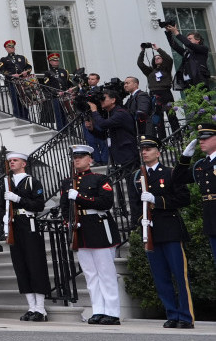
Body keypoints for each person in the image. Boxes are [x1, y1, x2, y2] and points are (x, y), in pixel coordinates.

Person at [132, 137, 194, 328]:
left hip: (171, 230)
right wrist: (141, 220)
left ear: (158, 152)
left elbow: (184, 198)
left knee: (179, 275)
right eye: (143, 150)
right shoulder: (137, 176)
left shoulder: (170, 173)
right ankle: (172, 313)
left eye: (149, 149)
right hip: (151, 231)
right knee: (161, 277)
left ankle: (185, 316)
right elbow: (135, 206)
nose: (145, 152)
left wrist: (157, 201)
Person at [62, 144, 121, 325]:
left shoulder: (99, 178)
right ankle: (98, 310)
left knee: (106, 272)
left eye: (81, 157)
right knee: (90, 274)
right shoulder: (67, 182)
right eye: (74, 157)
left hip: (98, 228)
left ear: (90, 160)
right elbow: (64, 207)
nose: (77, 160)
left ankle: (112, 312)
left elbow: (105, 202)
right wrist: (69, 222)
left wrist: (79, 197)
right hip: (80, 230)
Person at [1, 151, 50, 321]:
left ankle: (41, 308)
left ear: (24, 163)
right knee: (20, 266)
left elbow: (38, 205)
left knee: (35, 265)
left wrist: (18, 198)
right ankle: (31, 307)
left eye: (15, 160)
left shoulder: (31, 181)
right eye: (10, 161)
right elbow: (2, 205)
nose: (12, 163)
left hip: (28, 224)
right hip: (14, 226)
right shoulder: (7, 183)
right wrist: (4, 215)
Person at [176, 123, 216, 268]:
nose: (201, 141)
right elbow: (178, 178)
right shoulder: (202, 164)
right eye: (200, 139)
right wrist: (185, 158)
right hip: (211, 220)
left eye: (206, 138)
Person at [84, 87, 139, 171]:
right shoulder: (111, 113)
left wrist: (95, 111)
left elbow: (103, 124)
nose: (101, 101)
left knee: (131, 178)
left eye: (103, 98)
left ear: (113, 100)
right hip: (119, 154)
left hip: (128, 154)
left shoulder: (121, 113)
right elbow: (105, 135)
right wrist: (92, 129)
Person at [137, 43, 179, 138]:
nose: (157, 58)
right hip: (154, 95)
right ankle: (162, 139)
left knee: (171, 115)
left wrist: (158, 49)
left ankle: (177, 137)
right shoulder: (150, 71)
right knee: (157, 118)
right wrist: (142, 51)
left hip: (165, 93)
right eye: (155, 58)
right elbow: (140, 64)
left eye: (159, 57)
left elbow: (169, 59)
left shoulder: (166, 69)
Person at [165, 23, 211, 89]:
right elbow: (174, 46)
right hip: (188, 83)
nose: (187, 40)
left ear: (198, 40)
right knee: (191, 99)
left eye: (190, 39)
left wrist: (176, 32)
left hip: (199, 81)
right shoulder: (187, 53)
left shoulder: (203, 49)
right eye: (187, 39)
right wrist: (168, 32)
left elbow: (189, 44)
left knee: (203, 99)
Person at [0, 40, 32, 121]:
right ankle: (18, 117)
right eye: (9, 47)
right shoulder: (3, 59)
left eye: (13, 47)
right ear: (6, 49)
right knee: (15, 100)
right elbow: (3, 70)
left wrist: (26, 72)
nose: (12, 48)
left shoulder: (22, 58)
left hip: (22, 82)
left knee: (25, 99)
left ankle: (26, 117)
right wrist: (11, 75)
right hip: (12, 83)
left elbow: (29, 67)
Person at [40, 52, 72, 129]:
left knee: (68, 113)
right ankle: (61, 130)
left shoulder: (64, 71)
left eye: (57, 60)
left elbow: (69, 82)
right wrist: (56, 92)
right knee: (59, 115)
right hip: (56, 97)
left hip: (65, 96)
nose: (56, 62)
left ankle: (70, 130)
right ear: (50, 62)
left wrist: (71, 89)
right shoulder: (48, 73)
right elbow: (46, 86)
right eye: (54, 60)